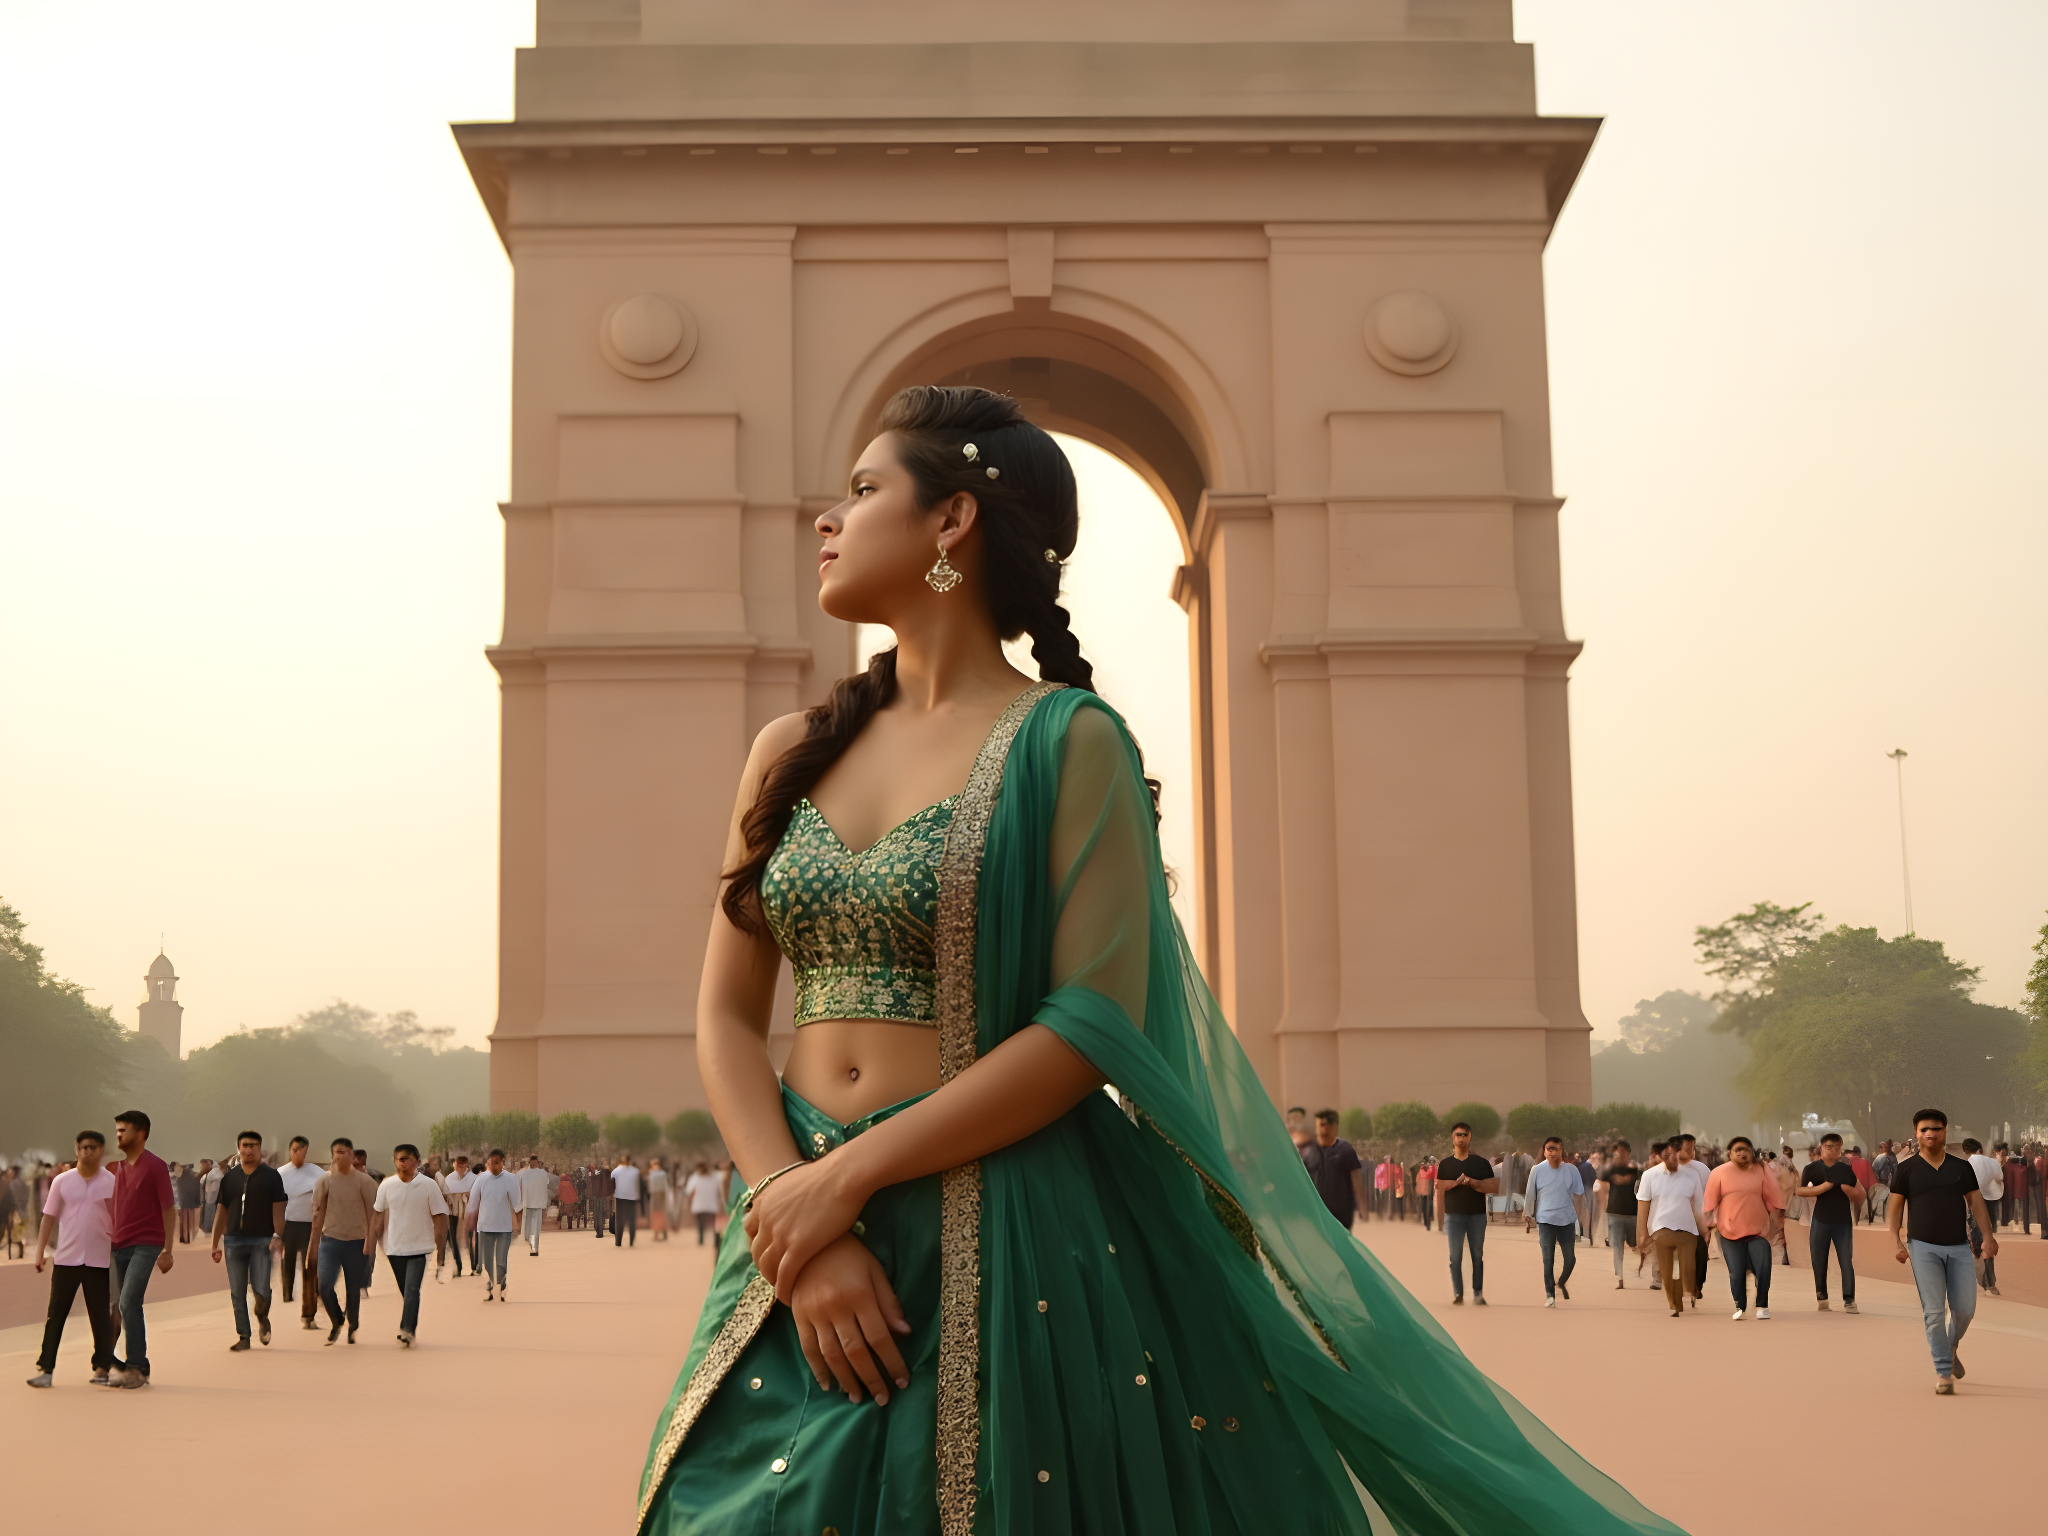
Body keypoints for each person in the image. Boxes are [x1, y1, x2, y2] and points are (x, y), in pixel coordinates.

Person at [634, 388, 1682, 1536]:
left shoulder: (1068, 740)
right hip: (792, 1228)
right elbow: (726, 1017)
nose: (827, 519)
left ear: (951, 524)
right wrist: (797, 1198)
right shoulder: (788, 753)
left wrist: (851, 1180)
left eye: (865, 489)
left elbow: (1089, 1025)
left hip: (1002, 1224)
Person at [1887, 1108, 2001, 1393]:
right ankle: (1943, 1371)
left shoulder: (1961, 1168)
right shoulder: (1906, 1169)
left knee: (1964, 1310)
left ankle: (1950, 1348)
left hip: (1959, 1247)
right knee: (1934, 1311)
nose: (1930, 1133)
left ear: (1945, 1131)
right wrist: (1895, 1242)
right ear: (1916, 1133)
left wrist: (1988, 1237)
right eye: (1924, 1129)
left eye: (1936, 1129)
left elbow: (1976, 1203)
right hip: (1923, 1247)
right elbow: (1894, 1209)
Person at [26, 1130, 118, 1389]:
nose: (88, 1152)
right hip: (66, 1258)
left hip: (99, 1260)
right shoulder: (62, 1181)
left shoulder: (111, 1182)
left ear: (101, 1151)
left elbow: (118, 1219)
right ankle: (46, 1369)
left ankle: (102, 1368)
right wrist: (40, 1252)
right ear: (76, 1150)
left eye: (94, 1147)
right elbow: (48, 1217)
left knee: (100, 1316)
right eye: (84, 1147)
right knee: (55, 1314)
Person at [106, 1110, 175, 1388]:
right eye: (117, 1130)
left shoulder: (154, 1166)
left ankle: (137, 1366)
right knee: (116, 1305)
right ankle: (108, 1361)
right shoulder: (114, 1168)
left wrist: (168, 1249)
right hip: (116, 1244)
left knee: (128, 1301)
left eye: (124, 1130)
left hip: (146, 1244)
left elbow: (169, 1209)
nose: (118, 1134)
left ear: (142, 1133)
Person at [209, 1130, 286, 1352]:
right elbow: (221, 1211)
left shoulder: (271, 1176)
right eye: (244, 1145)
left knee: (261, 1289)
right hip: (233, 1240)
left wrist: (278, 1237)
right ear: (238, 1148)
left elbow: (278, 1209)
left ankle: (262, 1317)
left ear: (259, 1149)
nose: (248, 1150)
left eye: (253, 1146)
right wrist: (215, 1243)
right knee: (237, 1291)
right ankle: (244, 1335)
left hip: (262, 1241)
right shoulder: (230, 1178)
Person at [373, 1144, 449, 1346]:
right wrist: (369, 1244)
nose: (402, 1162)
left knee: (412, 1289)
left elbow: (440, 1217)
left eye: (406, 1158)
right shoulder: (386, 1186)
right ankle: (408, 1325)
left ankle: (406, 1330)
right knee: (406, 1291)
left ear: (416, 1159)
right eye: (398, 1158)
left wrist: (440, 1250)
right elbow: (377, 1216)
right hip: (394, 1248)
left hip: (420, 1248)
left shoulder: (428, 1185)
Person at [1702, 1137, 1783, 1320]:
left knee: (1763, 1268)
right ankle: (1740, 1305)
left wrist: (1777, 1222)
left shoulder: (1761, 1169)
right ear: (1729, 1153)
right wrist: (1707, 1229)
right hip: (1729, 1232)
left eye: (1745, 1149)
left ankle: (1762, 1305)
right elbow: (1709, 1205)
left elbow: (1773, 1197)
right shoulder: (1719, 1173)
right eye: (1737, 1150)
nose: (1741, 1153)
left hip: (1758, 1232)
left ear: (1751, 1152)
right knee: (1736, 1272)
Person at [309, 1137, 379, 1345]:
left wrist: (370, 1242)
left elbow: (373, 1214)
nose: (339, 1156)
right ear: (332, 1155)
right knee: (324, 1286)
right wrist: (313, 1245)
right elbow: (316, 1214)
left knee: (353, 1288)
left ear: (352, 1155)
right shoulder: (325, 1180)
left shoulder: (364, 1182)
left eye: (344, 1152)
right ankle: (338, 1319)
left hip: (357, 1242)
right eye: (336, 1152)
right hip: (330, 1241)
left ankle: (353, 1324)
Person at [1634, 1139, 1705, 1316]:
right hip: (1661, 1228)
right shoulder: (1649, 1176)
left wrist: (1705, 1231)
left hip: (1688, 1230)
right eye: (1667, 1154)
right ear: (1661, 1156)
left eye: (1675, 1153)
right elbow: (1643, 1205)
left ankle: (1685, 1292)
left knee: (1687, 1269)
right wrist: (1641, 1234)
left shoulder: (1692, 1175)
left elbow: (1698, 1207)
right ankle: (1674, 1303)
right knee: (1666, 1271)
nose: (1672, 1157)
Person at [1796, 1133, 1862, 1313]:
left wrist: (1848, 1190)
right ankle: (1822, 1297)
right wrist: (1822, 1188)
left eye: (1835, 1147)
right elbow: (1800, 1190)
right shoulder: (1812, 1168)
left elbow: (1859, 1194)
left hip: (1842, 1221)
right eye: (1827, 1146)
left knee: (1846, 1261)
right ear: (1821, 1147)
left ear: (1840, 1149)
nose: (1831, 1150)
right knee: (1818, 1260)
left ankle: (1849, 1299)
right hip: (1820, 1220)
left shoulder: (1845, 1169)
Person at [1435, 1121, 1498, 1305]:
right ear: (1452, 1138)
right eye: (1458, 1135)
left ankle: (1477, 1293)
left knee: (1477, 1254)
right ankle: (1458, 1293)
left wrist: (1472, 1182)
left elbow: (1492, 1187)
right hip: (1453, 1216)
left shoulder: (1481, 1163)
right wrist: (1454, 1184)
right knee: (1455, 1256)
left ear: (1470, 1137)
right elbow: (1440, 1190)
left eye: (1464, 1135)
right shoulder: (1445, 1165)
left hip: (1476, 1215)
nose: (1461, 1138)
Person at [1524, 1136, 1584, 1306]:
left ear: (1561, 1151)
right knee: (1548, 1259)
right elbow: (1530, 1193)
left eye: (1555, 1149)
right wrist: (1528, 1214)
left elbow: (1579, 1196)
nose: (1552, 1152)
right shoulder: (1537, 1170)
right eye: (1548, 1149)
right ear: (1544, 1152)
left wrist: (1580, 1221)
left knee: (1570, 1259)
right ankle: (1550, 1294)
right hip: (1545, 1219)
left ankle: (1562, 1282)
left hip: (1567, 1219)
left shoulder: (1571, 1170)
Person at [278, 1135, 324, 1327]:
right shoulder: (280, 1173)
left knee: (309, 1265)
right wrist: (275, 1233)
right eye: (296, 1149)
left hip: (309, 1226)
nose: (299, 1153)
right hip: (287, 1225)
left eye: (303, 1149)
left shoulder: (316, 1172)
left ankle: (309, 1308)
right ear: (290, 1151)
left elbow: (325, 1196)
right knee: (287, 1262)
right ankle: (287, 1293)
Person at [1300, 1109, 1367, 1232]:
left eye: (1325, 1125)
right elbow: (1303, 1182)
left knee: (1340, 1250)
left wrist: (1362, 1207)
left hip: (1342, 1218)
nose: (1322, 1129)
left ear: (1334, 1126)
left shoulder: (1345, 1150)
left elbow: (1356, 1179)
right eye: (1320, 1125)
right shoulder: (1308, 1152)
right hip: (1317, 1216)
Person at [471, 1149, 520, 1300]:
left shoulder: (511, 1179)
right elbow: (473, 1201)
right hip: (485, 1227)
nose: (493, 1165)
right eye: (491, 1162)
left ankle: (501, 1283)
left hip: (504, 1227)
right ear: (488, 1163)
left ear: (503, 1162)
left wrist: (518, 1224)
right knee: (487, 1261)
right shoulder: (481, 1179)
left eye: (497, 1162)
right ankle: (492, 1283)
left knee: (500, 1260)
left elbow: (517, 1204)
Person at [1592, 1143, 1639, 1287]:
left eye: (1624, 1151)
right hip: (1614, 1213)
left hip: (1632, 1213)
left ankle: (1641, 1267)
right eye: (1618, 1152)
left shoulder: (1636, 1170)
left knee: (1634, 1243)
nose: (1621, 1154)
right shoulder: (1608, 1169)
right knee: (1617, 1246)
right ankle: (1620, 1278)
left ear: (1629, 1153)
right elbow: (1599, 1187)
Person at [1961, 1138, 2004, 1295]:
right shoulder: (1992, 1162)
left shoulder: (1968, 1164)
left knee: (1972, 1241)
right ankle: (1989, 1282)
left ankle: (1974, 1280)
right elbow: (2000, 1177)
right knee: (1987, 1240)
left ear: (1966, 1150)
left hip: (1973, 1205)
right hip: (1989, 1204)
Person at [1674, 1134, 1710, 1303]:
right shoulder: (1666, 1169)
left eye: (1692, 1148)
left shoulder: (1702, 1169)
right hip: (1676, 1221)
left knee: (1701, 1256)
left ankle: (1697, 1285)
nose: (1691, 1151)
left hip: (1698, 1221)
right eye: (1688, 1148)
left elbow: (1710, 1194)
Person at [440, 1153, 476, 1274]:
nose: (460, 1166)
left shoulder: (473, 1178)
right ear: (454, 1164)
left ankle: (473, 1266)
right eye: (457, 1164)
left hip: (469, 1212)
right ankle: (458, 1265)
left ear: (466, 1164)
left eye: (462, 1164)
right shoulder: (449, 1178)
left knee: (469, 1240)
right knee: (453, 1239)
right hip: (453, 1213)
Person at [518, 1154, 553, 1256]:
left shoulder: (525, 1173)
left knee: (530, 1226)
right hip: (537, 1203)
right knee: (535, 1227)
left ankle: (533, 1247)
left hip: (529, 1203)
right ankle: (534, 1247)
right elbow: (547, 1184)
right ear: (537, 1162)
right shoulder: (542, 1173)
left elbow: (520, 1186)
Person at [612, 1152, 642, 1248]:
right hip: (632, 1198)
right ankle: (631, 1241)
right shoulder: (635, 1171)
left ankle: (618, 1242)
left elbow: (612, 1177)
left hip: (620, 1197)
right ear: (630, 1161)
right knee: (631, 1220)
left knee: (619, 1220)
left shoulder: (617, 1170)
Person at [1869, 1140, 1899, 1231]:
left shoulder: (1879, 1158)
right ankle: (1885, 1218)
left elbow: (1873, 1169)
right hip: (1889, 1183)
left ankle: (1873, 1217)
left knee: (1876, 1199)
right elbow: (1896, 1170)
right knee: (1886, 1201)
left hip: (1881, 1183)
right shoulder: (1893, 1157)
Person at [173, 1160, 201, 1244]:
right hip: (187, 1199)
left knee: (184, 1220)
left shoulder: (181, 1172)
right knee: (187, 1220)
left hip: (184, 1199)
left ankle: (184, 1237)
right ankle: (186, 1237)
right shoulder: (191, 1173)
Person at [199, 1154, 225, 1239]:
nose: (201, 1167)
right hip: (209, 1198)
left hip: (212, 1199)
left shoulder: (214, 1173)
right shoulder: (211, 1172)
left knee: (211, 1215)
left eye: (203, 1165)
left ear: (208, 1164)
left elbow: (214, 1186)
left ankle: (209, 1230)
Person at [647, 1156, 672, 1242]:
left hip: (655, 1196)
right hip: (661, 1196)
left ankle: (656, 1234)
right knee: (661, 1215)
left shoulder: (652, 1174)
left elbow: (650, 1187)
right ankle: (663, 1233)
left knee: (655, 1215)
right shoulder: (663, 1174)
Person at [589, 1158, 613, 1240]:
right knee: (600, 1213)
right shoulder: (606, 1173)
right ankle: (600, 1231)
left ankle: (599, 1231)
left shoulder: (596, 1174)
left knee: (597, 1213)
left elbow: (592, 1180)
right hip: (603, 1195)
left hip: (597, 1195)